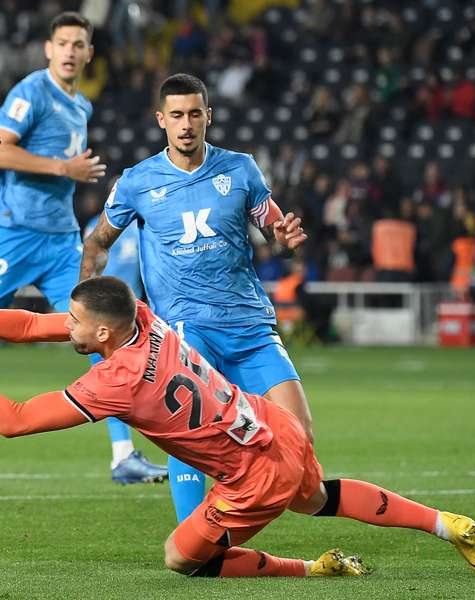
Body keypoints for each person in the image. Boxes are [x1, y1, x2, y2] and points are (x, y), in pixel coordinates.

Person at [0, 277, 475, 579]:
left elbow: (12, 422)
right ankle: (448, 523)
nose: (66, 326)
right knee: (318, 496)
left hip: (249, 474)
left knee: (182, 559)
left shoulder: (114, 380)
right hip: (272, 427)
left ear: (105, 334)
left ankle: (311, 570)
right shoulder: (142, 319)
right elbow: (40, 327)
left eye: (77, 322)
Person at [0, 11, 159, 482]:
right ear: (48, 49)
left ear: (89, 53)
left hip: (59, 242)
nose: (71, 51)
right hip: (12, 235)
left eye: (79, 44)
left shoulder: (81, 106)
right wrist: (61, 169)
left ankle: (123, 457)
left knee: (100, 332)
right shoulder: (31, 91)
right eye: (63, 43)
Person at [80, 73, 312, 522]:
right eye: (176, 116)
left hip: (249, 324)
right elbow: (99, 241)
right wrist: (86, 304)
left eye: (193, 114)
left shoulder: (240, 168)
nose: (186, 124)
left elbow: (273, 224)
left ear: (208, 116)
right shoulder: (137, 182)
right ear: (160, 120)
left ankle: (238, 509)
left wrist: (285, 236)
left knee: (299, 437)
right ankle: (196, 539)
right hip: (186, 331)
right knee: (190, 434)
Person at [83, 210, 167, 484]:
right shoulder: (143, 223)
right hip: (114, 318)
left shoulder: (99, 225)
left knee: (126, 385)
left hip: (120, 317)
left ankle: (123, 455)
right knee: (127, 385)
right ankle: (123, 457)